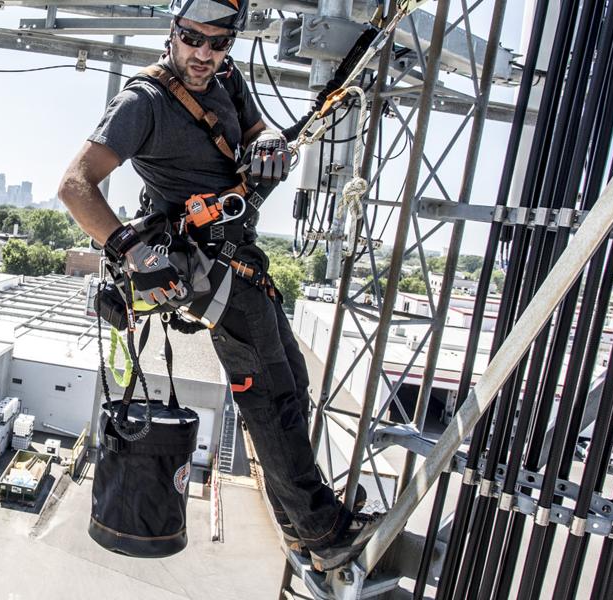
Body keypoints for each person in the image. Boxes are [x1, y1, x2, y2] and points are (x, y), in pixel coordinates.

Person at [58, 0, 376, 571]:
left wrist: (269, 143)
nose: (203, 54)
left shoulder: (225, 78)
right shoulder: (143, 101)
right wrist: (130, 250)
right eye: (192, 39)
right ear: (173, 34)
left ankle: (301, 521)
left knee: (291, 381)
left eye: (217, 43)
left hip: (241, 255)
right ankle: (323, 531)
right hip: (209, 268)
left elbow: (255, 131)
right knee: (272, 394)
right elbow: (75, 186)